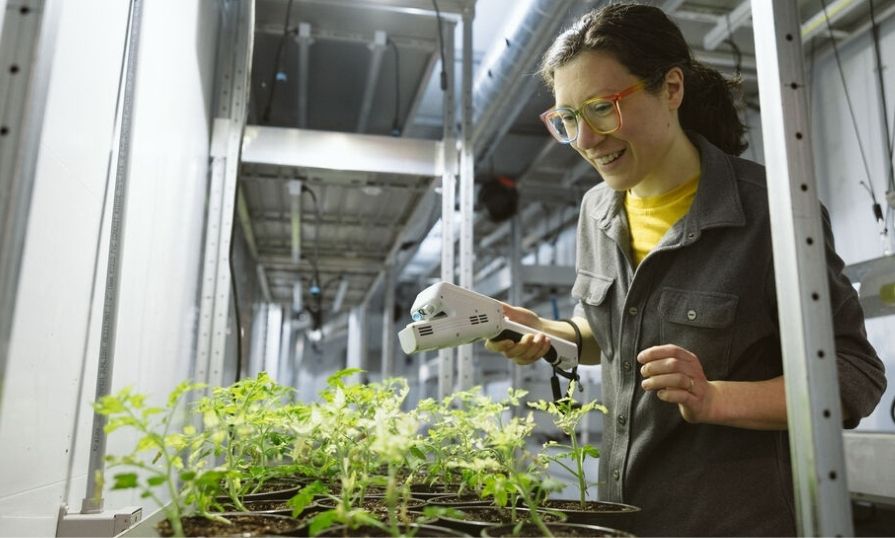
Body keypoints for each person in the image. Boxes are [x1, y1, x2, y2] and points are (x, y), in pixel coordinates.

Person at [484, 4, 887, 536]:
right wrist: (546, 333)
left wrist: (716, 397)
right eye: (568, 119)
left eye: (603, 108)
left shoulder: (771, 211)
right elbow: (610, 337)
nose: (584, 140)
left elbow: (856, 376)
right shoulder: (596, 211)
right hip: (622, 520)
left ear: (671, 88)